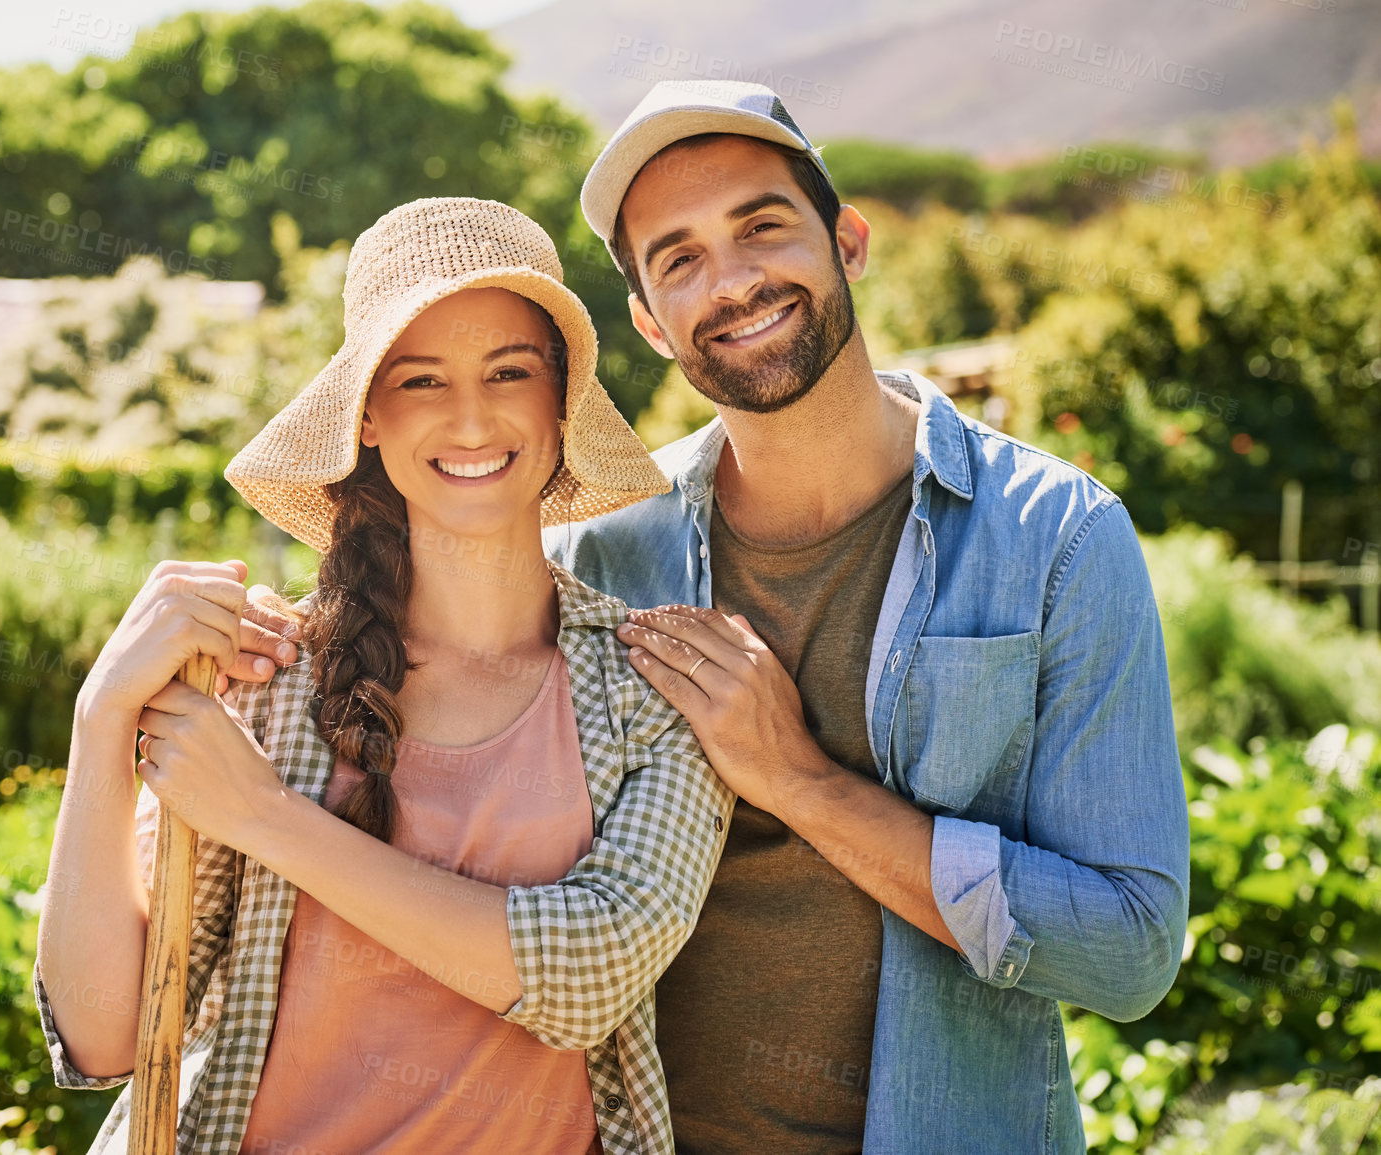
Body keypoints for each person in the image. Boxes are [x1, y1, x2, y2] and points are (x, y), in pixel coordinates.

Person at [225, 80, 1192, 1153]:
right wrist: (245, 648)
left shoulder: (1055, 541)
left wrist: (799, 783)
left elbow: (1131, 951)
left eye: (761, 227)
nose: (730, 281)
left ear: (849, 241)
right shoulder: (608, 550)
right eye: (678, 259)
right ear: (648, 320)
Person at [33, 196, 736, 1155]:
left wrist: (269, 820)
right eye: (421, 380)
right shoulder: (268, 677)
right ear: (368, 414)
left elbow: (589, 977)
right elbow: (105, 1033)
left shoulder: (651, 689)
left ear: (558, 403)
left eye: (508, 372)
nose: (472, 416)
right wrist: (100, 716)